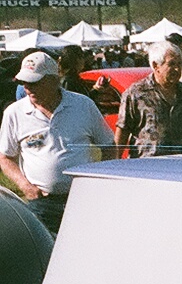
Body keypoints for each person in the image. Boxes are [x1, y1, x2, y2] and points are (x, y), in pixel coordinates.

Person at [0, 52, 114, 234]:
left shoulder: (83, 105)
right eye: (24, 82)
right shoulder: (14, 113)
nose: (28, 88)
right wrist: (25, 186)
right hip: (42, 204)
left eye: (35, 82)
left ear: (54, 80)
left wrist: (98, 181)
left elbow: (108, 145)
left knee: (86, 245)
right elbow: (5, 157)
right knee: (47, 255)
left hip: (83, 198)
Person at [116, 40, 182, 158]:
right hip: (147, 167)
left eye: (179, 64)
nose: (177, 69)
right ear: (156, 66)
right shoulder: (136, 93)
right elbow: (122, 131)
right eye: (171, 64)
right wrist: (115, 162)